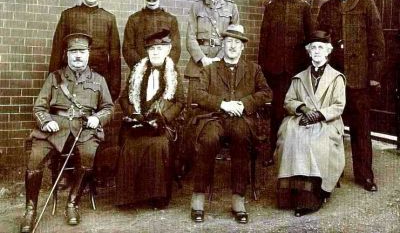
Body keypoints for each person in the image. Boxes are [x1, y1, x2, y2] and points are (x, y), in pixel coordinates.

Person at [21, 33, 114, 232]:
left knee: (88, 155)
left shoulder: (98, 80)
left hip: (84, 129)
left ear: (88, 54)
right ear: (67, 55)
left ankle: (72, 203)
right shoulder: (54, 77)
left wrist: (97, 118)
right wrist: (46, 122)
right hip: (55, 128)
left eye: (81, 52)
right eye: (73, 52)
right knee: (34, 160)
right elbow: (39, 107)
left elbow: (108, 108)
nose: (77, 56)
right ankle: (30, 209)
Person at [189, 24, 272, 224]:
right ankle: (198, 195)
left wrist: (244, 104)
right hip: (214, 117)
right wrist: (222, 104)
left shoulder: (254, 69)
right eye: (229, 42)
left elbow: (267, 93)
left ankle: (238, 197)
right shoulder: (210, 69)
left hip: (242, 119)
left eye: (237, 43)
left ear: (243, 47)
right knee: (208, 139)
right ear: (222, 45)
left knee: (241, 137)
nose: (233, 46)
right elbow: (197, 93)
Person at [316, 0, 385, 192]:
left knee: (360, 130)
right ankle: (329, 175)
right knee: (330, 127)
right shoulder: (326, 8)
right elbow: (320, 43)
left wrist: (374, 77)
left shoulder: (367, 5)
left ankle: (365, 175)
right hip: (334, 80)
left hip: (359, 80)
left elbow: (377, 44)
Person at [276, 31, 346, 217]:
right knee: (290, 134)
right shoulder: (299, 77)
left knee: (316, 140)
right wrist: (303, 109)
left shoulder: (337, 78)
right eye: (313, 47)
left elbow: (338, 106)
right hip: (301, 118)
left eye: (320, 48)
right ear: (308, 52)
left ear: (328, 51)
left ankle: (314, 194)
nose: (316, 51)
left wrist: (318, 115)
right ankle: (291, 192)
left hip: (326, 121)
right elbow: (288, 101)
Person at [115, 29, 184, 209]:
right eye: (152, 49)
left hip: (161, 125)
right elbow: (123, 98)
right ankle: (130, 197)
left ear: (168, 50)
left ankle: (156, 197)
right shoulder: (137, 70)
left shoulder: (173, 72)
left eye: (160, 48)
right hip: (138, 123)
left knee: (158, 145)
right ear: (147, 51)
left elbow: (180, 102)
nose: (155, 52)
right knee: (130, 144)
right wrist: (133, 113)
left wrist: (164, 118)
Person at [258, 0, 313, 163]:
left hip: (296, 71)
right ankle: (274, 152)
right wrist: (262, 69)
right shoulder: (271, 7)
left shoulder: (303, 7)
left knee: (297, 110)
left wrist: (308, 69)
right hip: (274, 71)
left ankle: (295, 155)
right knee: (277, 112)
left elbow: (310, 39)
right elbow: (264, 40)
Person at [48, 0, 121, 101]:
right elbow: (57, 52)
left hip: (99, 79)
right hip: (71, 79)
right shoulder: (68, 15)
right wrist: (54, 82)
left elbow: (115, 58)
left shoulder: (109, 19)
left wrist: (114, 88)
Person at [184, 0, 240, 106]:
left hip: (222, 63)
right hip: (198, 65)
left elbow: (234, 38)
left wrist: (219, 58)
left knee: (220, 107)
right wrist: (202, 59)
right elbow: (190, 37)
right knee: (194, 106)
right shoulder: (196, 6)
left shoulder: (231, 7)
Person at [122, 0, 181, 68]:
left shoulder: (171, 20)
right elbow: (128, 49)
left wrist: (163, 66)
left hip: (164, 72)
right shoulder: (134, 19)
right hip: (140, 71)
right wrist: (143, 66)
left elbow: (175, 49)